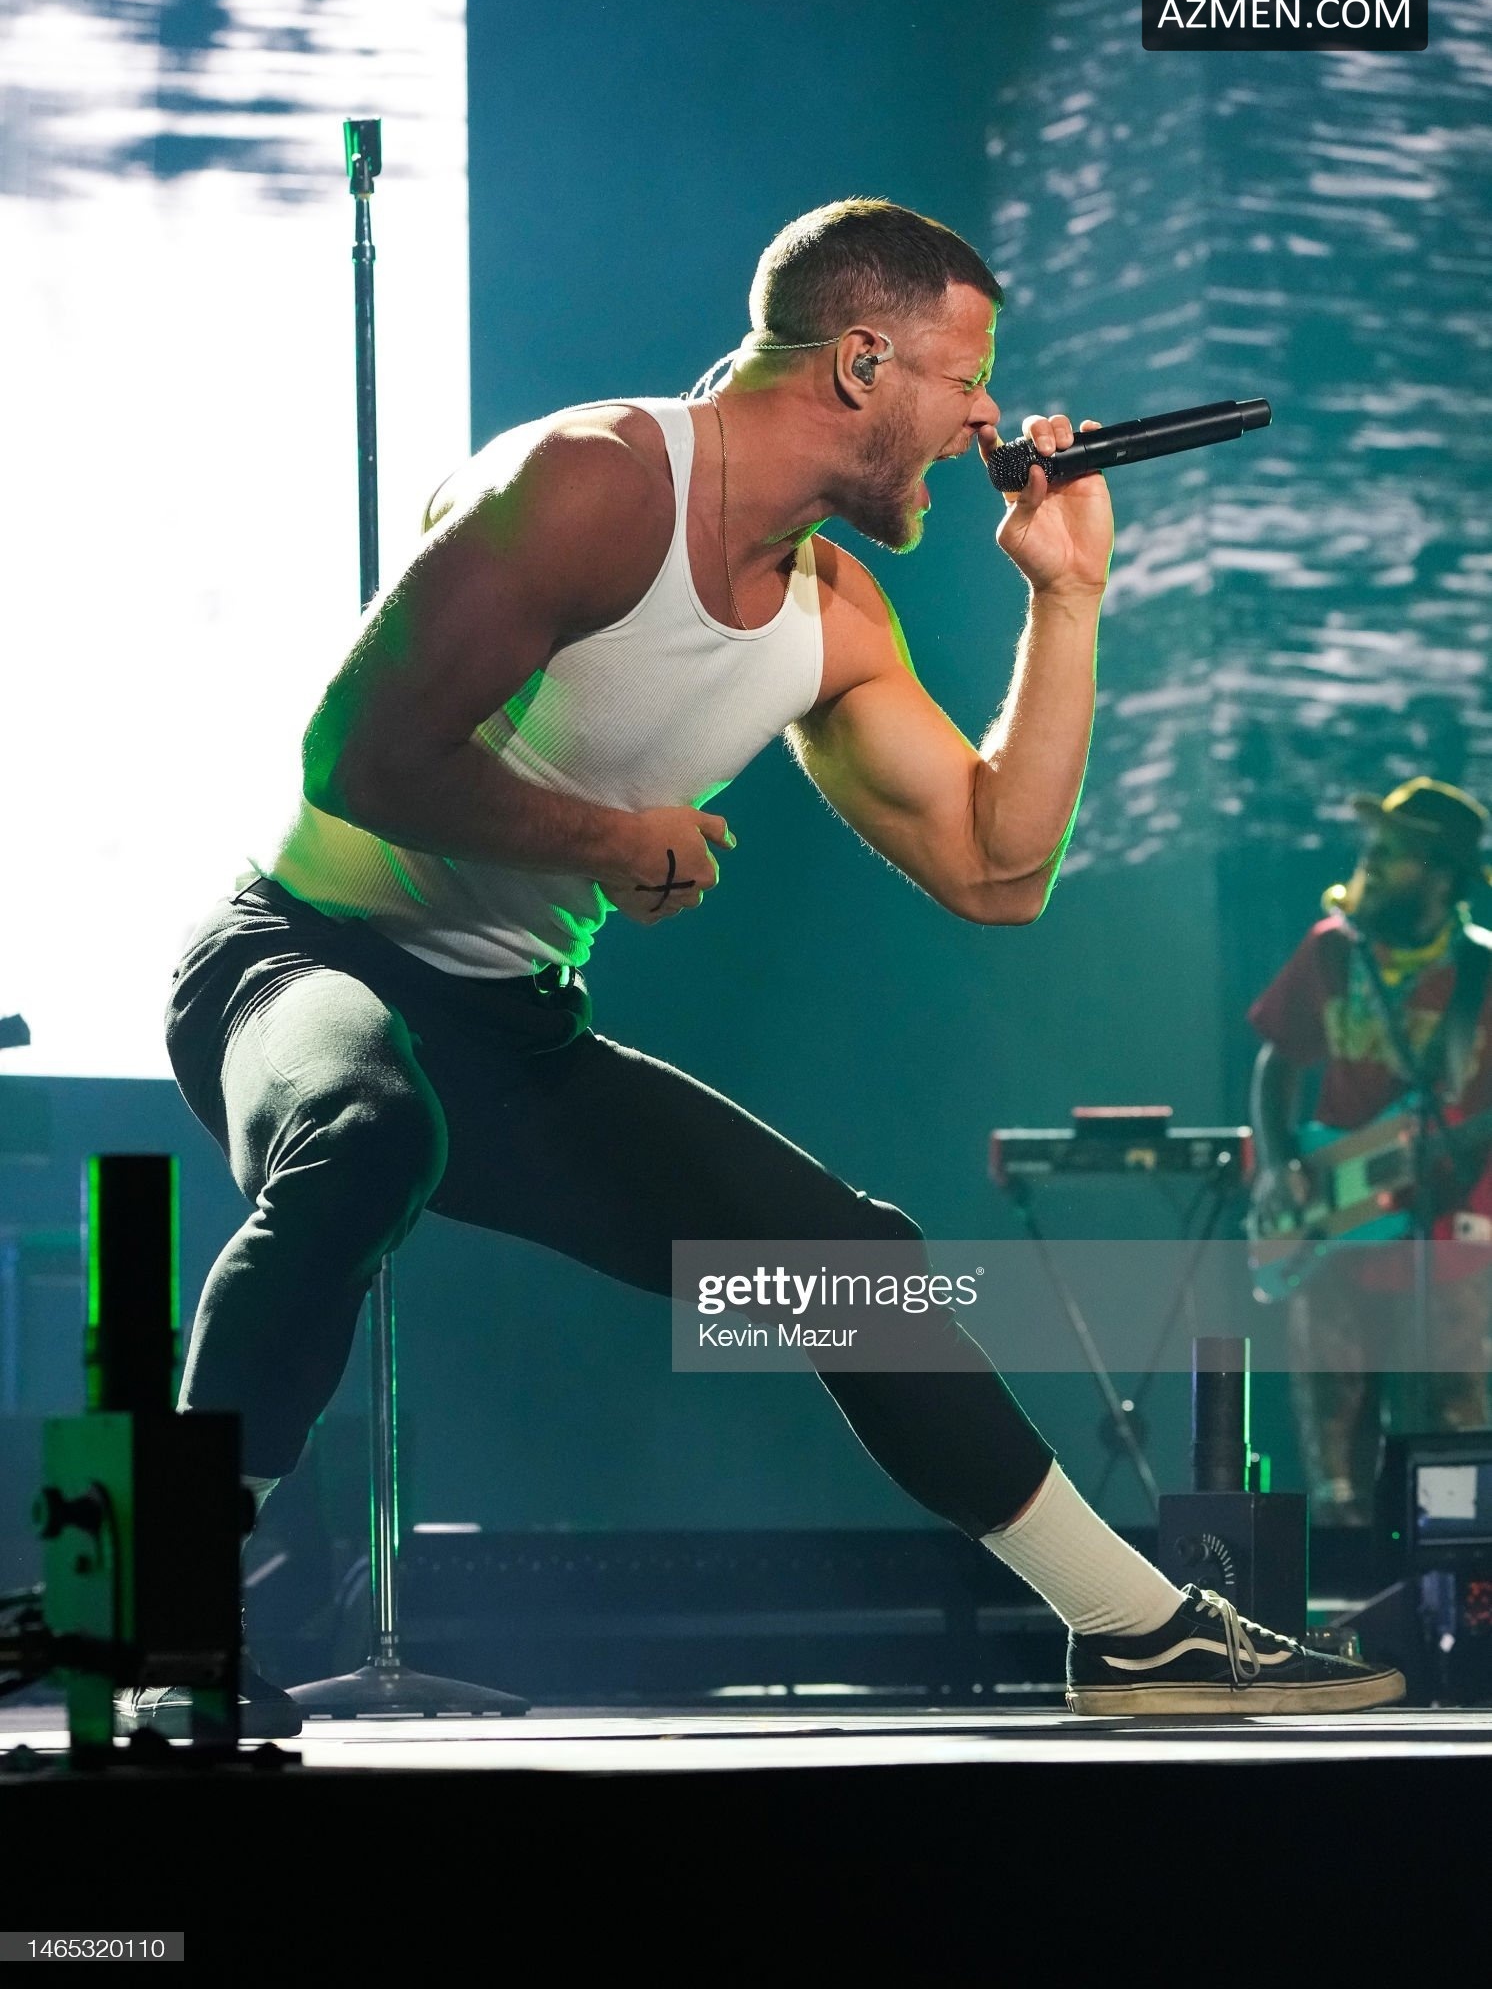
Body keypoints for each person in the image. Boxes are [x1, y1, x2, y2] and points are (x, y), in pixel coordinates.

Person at [129, 199, 1401, 1732]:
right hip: (298, 958)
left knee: (847, 1266)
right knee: (365, 1131)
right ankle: (160, 1622)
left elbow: (997, 873)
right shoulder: (593, 482)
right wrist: (609, 841)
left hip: (510, 1038)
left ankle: (1137, 1632)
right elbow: (358, 754)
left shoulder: (833, 616)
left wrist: (1067, 597)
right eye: (967, 377)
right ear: (862, 362)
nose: (988, 418)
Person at [1249, 778, 1492, 1523]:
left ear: (1442, 874)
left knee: (1449, 1439)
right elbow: (1276, 1064)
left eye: (1394, 852)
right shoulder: (1332, 950)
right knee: (1335, 1449)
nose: (1371, 863)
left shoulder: (1483, 971)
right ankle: (1341, 1559)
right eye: (1372, 848)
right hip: (1332, 1230)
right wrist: (1281, 1166)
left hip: (1447, 1235)